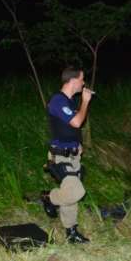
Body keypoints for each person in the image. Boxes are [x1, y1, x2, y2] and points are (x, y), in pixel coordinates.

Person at [41, 66, 93, 244]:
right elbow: (77, 122)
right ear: (73, 80)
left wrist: (78, 145)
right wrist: (85, 101)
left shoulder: (69, 102)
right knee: (77, 191)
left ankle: (71, 233)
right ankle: (49, 197)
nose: (84, 83)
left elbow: (69, 129)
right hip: (60, 156)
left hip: (73, 155)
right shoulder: (57, 100)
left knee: (71, 195)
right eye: (82, 79)